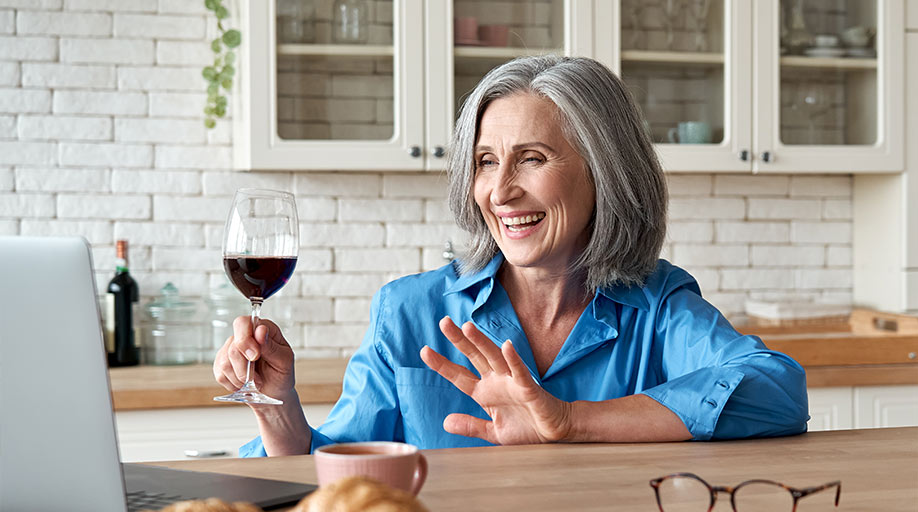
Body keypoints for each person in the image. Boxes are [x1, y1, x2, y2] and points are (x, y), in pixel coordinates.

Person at [214, 55, 809, 456]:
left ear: (605, 172)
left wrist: (568, 421)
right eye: (486, 161)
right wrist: (278, 402)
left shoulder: (656, 305)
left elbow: (776, 391)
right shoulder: (409, 311)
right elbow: (334, 473)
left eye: (532, 158)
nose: (500, 192)